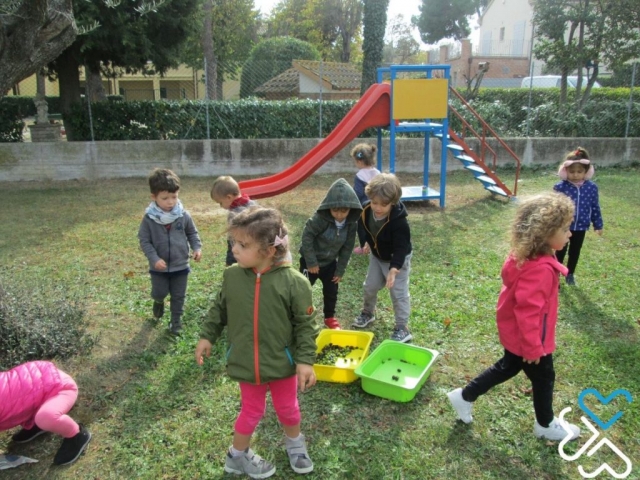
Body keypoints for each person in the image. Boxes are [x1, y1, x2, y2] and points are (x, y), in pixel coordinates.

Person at [195, 206, 318, 479]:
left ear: (268, 250)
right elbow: (219, 309)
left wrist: (305, 361)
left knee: (288, 408)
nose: (234, 250)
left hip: (282, 363)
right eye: (233, 243)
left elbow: (306, 325)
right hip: (245, 362)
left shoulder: (294, 283)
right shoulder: (232, 276)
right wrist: (207, 336)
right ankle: (236, 457)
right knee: (251, 410)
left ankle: (295, 444)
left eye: (242, 244)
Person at [447, 192, 582, 442]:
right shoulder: (540, 269)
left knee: (507, 367)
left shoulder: (527, 255)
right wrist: (533, 348)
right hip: (530, 342)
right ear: (544, 233)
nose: (570, 234)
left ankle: (464, 395)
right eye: (564, 229)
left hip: (518, 336)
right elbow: (528, 312)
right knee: (544, 377)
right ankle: (545, 425)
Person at [138, 168, 202, 335]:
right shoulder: (149, 219)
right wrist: (154, 259)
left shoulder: (183, 215)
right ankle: (158, 301)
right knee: (160, 292)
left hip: (180, 265)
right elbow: (144, 241)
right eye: (165, 198)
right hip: (159, 268)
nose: (170, 202)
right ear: (154, 197)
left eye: (174, 197)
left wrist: (197, 248)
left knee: (178, 296)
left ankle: (176, 322)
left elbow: (192, 233)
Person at [352, 173, 413, 343]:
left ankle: (402, 327)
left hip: (397, 260)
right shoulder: (366, 209)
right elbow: (362, 225)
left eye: (384, 204)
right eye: (374, 202)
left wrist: (394, 269)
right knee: (369, 286)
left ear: (393, 203)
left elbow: (401, 248)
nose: (378, 208)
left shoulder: (399, 222)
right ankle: (367, 313)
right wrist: (365, 242)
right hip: (377, 257)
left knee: (398, 293)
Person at [299, 178, 363, 330]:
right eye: (335, 210)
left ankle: (329, 317)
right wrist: (311, 262)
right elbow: (307, 237)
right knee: (303, 289)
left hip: (330, 264)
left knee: (331, 291)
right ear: (328, 207)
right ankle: (299, 315)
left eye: (344, 211)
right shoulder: (319, 219)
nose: (340, 215)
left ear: (351, 209)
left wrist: (340, 270)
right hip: (310, 262)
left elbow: (347, 248)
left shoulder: (351, 223)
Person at [0, 361, 91, 466]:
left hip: (60, 388)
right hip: (40, 385)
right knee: (19, 404)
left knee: (45, 418)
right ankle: (36, 424)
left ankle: (77, 434)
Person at [553, 147, 603, 286]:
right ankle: (555, 275)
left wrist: (598, 224)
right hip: (563, 227)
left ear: (586, 172)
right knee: (560, 251)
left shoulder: (591, 188)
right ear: (565, 171)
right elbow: (553, 207)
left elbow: (595, 207)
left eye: (579, 171)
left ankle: (570, 274)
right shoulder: (560, 187)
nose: (575, 175)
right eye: (572, 171)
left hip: (581, 226)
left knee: (575, 251)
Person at [210, 175, 259, 267]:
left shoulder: (234, 214)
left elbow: (232, 240)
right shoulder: (254, 205)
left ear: (229, 197)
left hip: (241, 252)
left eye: (220, 202)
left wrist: (230, 260)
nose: (221, 206)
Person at [351, 143, 381, 254]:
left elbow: (358, 193)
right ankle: (377, 244)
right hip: (376, 205)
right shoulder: (378, 173)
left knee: (362, 226)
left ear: (359, 161)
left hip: (363, 206)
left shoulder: (360, 175)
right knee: (376, 225)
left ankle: (364, 247)